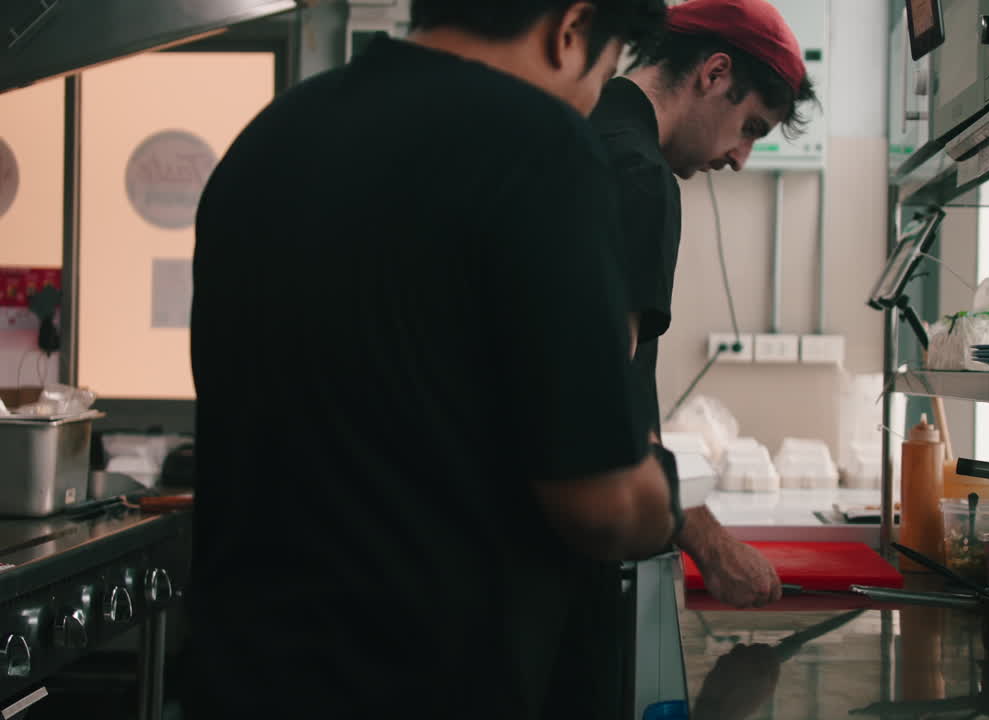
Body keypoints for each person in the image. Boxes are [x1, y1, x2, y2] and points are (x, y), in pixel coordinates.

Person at [185, 1, 678, 718]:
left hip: (243, 679)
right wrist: (664, 495)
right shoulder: (541, 145)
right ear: (570, 28)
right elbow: (601, 506)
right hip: (419, 683)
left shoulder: (272, 136)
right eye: (604, 73)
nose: (592, 100)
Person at [590, 0, 818, 610]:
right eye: (751, 127)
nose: (742, 159)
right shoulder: (640, 176)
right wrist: (711, 544)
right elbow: (595, 409)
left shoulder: (581, 128)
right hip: (566, 558)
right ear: (714, 74)